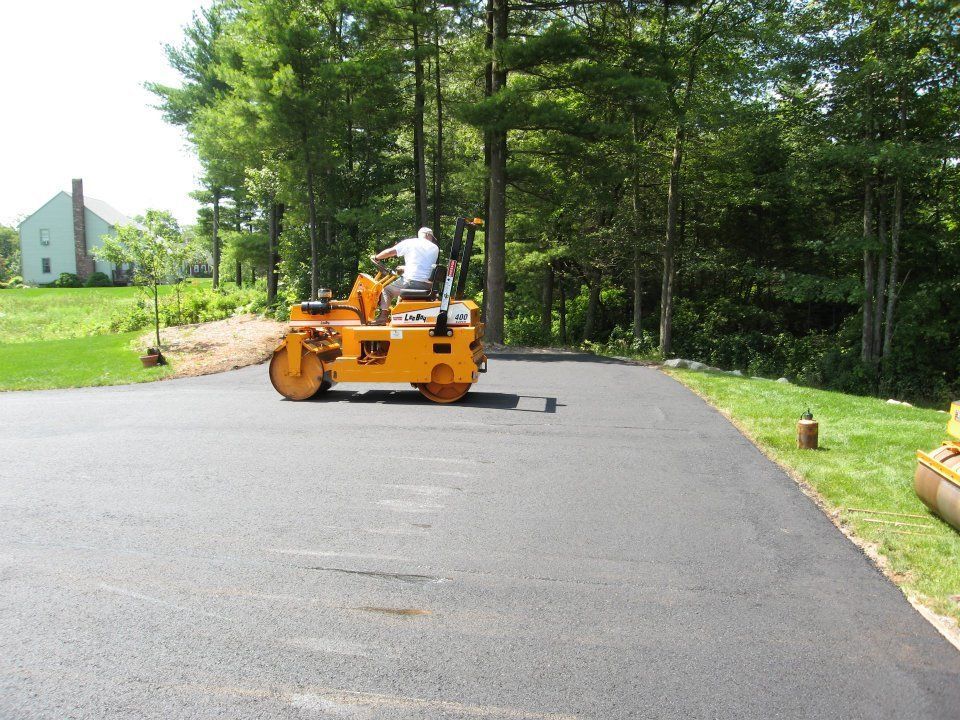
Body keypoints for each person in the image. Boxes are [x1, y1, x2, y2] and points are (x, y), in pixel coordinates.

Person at [370, 227, 440, 323]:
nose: (431, 239)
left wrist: (376, 257)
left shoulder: (410, 242)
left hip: (411, 282)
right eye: (431, 237)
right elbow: (423, 265)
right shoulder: (435, 248)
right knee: (400, 292)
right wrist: (405, 268)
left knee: (386, 290)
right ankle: (397, 317)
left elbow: (390, 252)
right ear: (428, 235)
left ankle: (383, 316)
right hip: (428, 285)